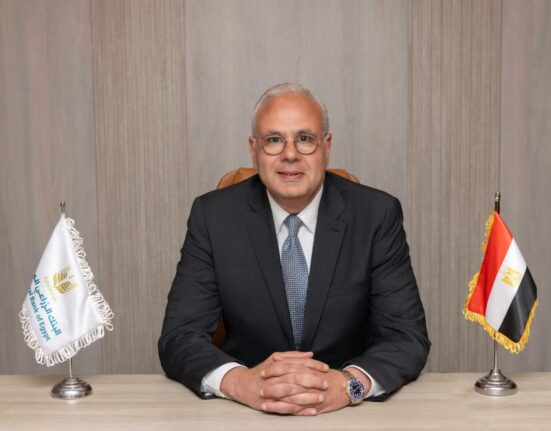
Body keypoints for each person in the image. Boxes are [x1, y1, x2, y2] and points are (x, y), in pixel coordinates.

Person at [159, 83, 430, 415]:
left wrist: (349, 386)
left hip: (347, 412)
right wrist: (241, 383)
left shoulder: (376, 216)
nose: (290, 154)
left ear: (326, 147)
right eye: (274, 140)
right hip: (244, 412)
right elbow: (179, 336)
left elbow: (406, 337)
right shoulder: (213, 217)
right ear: (253, 149)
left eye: (305, 138)